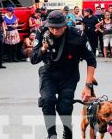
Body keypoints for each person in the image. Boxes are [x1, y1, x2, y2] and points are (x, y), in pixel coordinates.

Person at [31, 10, 96, 139]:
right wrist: (43, 48)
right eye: (52, 28)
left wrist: (88, 86)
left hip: (69, 74)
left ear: (65, 25)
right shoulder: (41, 32)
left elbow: (91, 60)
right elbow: (34, 59)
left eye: (58, 28)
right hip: (49, 72)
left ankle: (68, 130)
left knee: (64, 106)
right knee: (47, 101)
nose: (55, 31)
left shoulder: (78, 35)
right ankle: (52, 135)